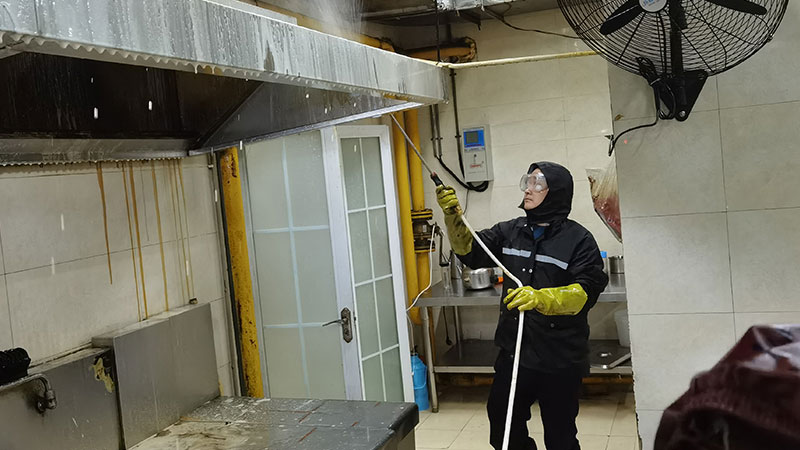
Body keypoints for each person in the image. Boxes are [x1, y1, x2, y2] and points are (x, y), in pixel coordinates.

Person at [436, 161, 609, 450]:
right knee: (503, 428)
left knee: (560, 437)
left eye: (538, 184)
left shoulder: (579, 241)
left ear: (557, 192)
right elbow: (471, 251)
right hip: (515, 353)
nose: (528, 189)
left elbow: (586, 291)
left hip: (559, 357)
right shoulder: (510, 231)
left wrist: (542, 299)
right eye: (528, 182)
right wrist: (453, 216)